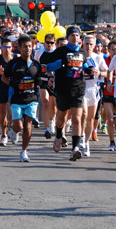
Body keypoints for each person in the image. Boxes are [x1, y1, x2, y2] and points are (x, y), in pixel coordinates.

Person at [41, 26, 88, 161]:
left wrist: (91, 70)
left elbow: (84, 66)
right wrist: (62, 62)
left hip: (78, 89)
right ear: (68, 37)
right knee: (61, 118)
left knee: (77, 119)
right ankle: (58, 135)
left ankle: (75, 148)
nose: (75, 38)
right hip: (63, 89)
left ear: (80, 38)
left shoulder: (82, 52)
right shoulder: (59, 51)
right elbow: (48, 68)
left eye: (77, 36)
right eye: (72, 35)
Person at [1, 34, 42, 162]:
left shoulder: (36, 64)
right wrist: (11, 84)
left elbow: (38, 79)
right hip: (16, 99)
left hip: (31, 99)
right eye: (25, 47)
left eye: (30, 46)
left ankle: (24, 151)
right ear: (19, 48)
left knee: (28, 126)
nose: (28, 49)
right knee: (18, 126)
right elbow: (3, 77)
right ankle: (13, 131)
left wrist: (40, 83)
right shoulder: (13, 64)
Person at [81, 34, 108, 157]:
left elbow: (107, 72)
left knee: (91, 119)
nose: (89, 47)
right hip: (81, 89)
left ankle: (86, 143)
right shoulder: (79, 57)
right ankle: (80, 137)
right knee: (84, 115)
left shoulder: (98, 58)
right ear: (83, 44)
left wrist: (100, 72)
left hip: (94, 90)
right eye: (87, 44)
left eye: (91, 44)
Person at [34, 33, 57, 139]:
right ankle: (47, 127)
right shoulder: (39, 52)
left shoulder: (57, 52)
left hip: (54, 82)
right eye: (47, 42)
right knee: (45, 103)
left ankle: (52, 121)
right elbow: (35, 66)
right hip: (43, 81)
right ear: (44, 42)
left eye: (51, 43)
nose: (49, 44)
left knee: (54, 106)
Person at [103, 40, 116, 151]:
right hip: (108, 93)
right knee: (109, 119)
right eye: (113, 49)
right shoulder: (105, 61)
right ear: (109, 50)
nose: (115, 51)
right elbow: (102, 71)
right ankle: (112, 142)